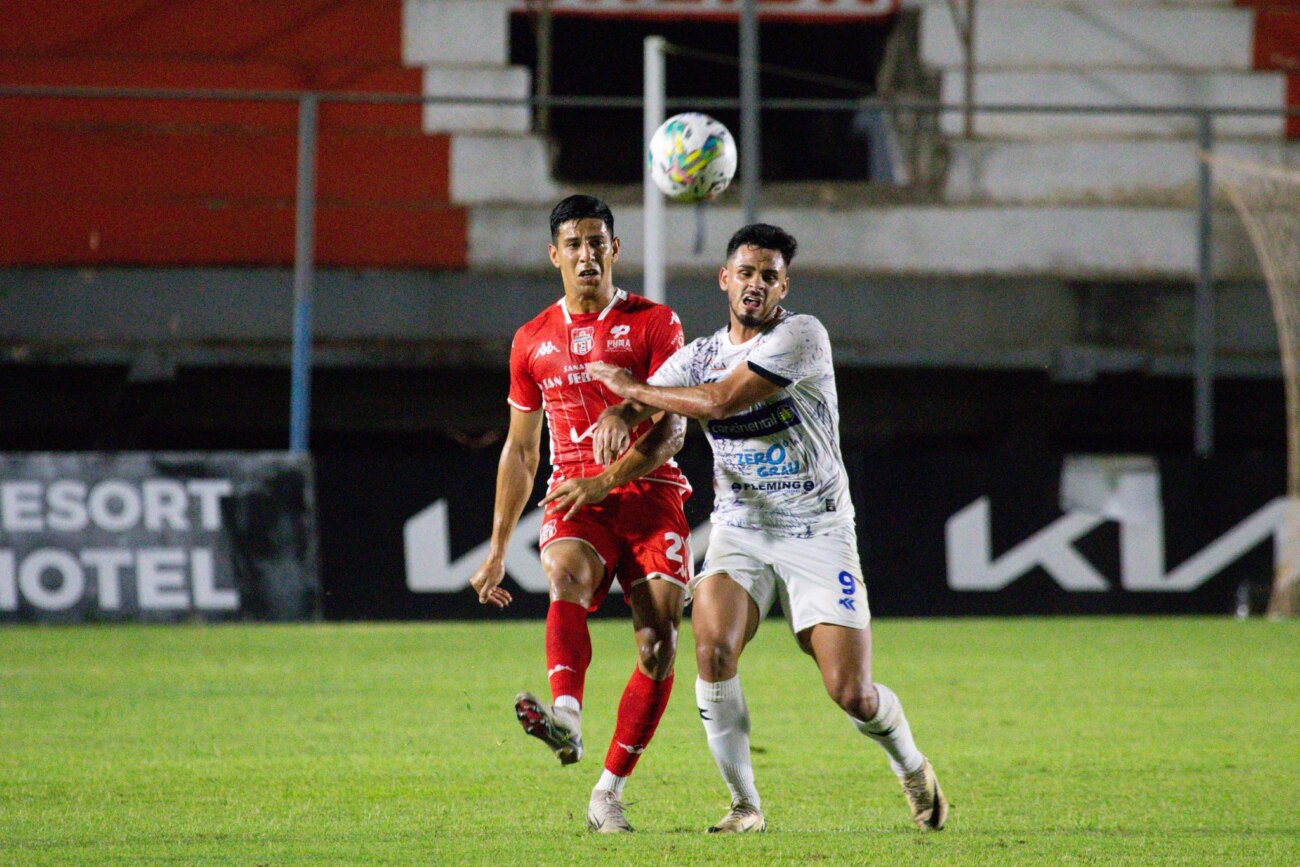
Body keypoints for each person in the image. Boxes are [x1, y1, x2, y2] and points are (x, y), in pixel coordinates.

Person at [586, 223, 948, 834]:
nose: (756, 285)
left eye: (769, 276)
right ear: (724, 278)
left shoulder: (802, 336)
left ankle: (911, 766)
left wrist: (630, 388)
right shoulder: (699, 353)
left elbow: (721, 401)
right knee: (712, 648)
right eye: (746, 273)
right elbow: (658, 397)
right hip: (740, 527)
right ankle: (744, 806)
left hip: (817, 528)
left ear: (785, 286)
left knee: (850, 691)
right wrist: (622, 411)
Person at [468, 194, 693, 834]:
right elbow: (520, 449)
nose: (587, 255)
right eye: (574, 244)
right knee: (564, 574)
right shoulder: (532, 340)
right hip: (574, 496)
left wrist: (608, 479)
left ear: (615, 249)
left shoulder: (656, 323)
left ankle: (608, 793)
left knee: (659, 646)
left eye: (598, 242)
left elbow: (673, 430)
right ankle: (565, 716)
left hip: (651, 493)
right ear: (555, 255)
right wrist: (495, 549)